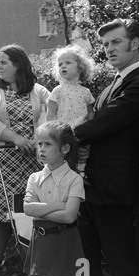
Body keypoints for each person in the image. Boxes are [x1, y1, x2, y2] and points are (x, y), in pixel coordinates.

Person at [74, 18, 139, 276]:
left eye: (116, 42)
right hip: (88, 187)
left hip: (114, 191)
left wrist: (57, 137)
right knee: (85, 260)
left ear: (134, 44)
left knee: (121, 264)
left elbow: (100, 125)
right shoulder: (113, 83)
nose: (109, 49)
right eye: (105, 44)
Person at [0, 44, 50, 276]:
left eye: (3, 61)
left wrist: (37, 143)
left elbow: (47, 121)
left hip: (30, 164)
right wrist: (15, 138)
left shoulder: (40, 92)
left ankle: (32, 273)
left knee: (28, 216)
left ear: (18, 64)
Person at [23, 120, 85, 276]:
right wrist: (59, 205)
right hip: (41, 242)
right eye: (39, 144)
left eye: (48, 144)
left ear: (65, 149)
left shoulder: (75, 179)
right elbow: (27, 209)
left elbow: (69, 216)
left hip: (68, 241)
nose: (41, 148)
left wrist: (40, 211)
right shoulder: (34, 178)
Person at [46, 45, 95, 182]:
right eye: (60, 64)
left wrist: (90, 126)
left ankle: (81, 173)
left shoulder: (86, 92)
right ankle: (63, 176)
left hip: (82, 131)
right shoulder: (58, 90)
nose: (63, 66)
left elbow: (91, 112)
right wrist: (50, 132)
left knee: (82, 153)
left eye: (68, 63)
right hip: (64, 131)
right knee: (65, 154)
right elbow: (50, 113)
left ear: (80, 67)